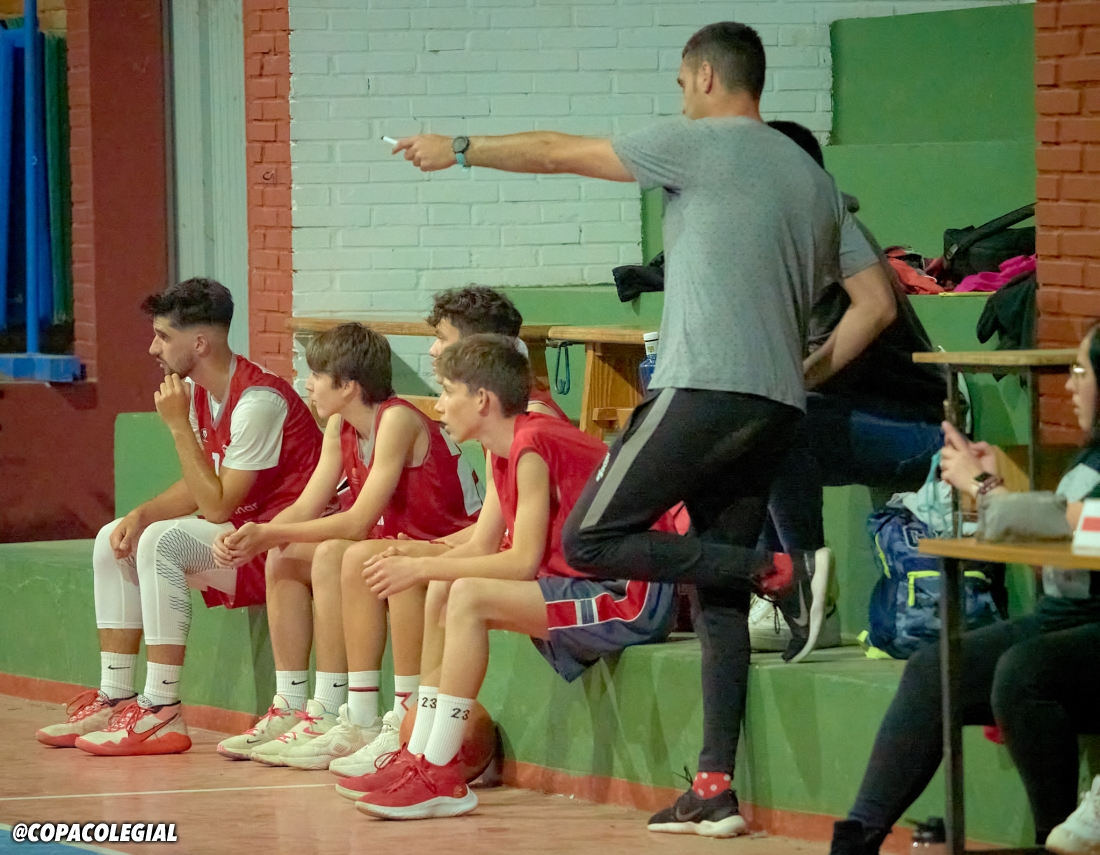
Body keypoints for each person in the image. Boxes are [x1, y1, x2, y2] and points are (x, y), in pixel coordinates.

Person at [390, 22, 842, 836]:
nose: (681, 98)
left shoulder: (702, 143)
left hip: (705, 384)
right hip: (781, 401)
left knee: (592, 535)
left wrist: (458, 148)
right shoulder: (811, 178)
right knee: (717, 600)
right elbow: (864, 296)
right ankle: (714, 784)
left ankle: (776, 568)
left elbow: (557, 152)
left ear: (706, 78)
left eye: (682, 84)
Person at [337, 334, 673, 819]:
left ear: (482, 400)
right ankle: (419, 755)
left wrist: (421, 565)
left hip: (631, 591)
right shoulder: (503, 447)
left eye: (447, 391)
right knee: (446, 588)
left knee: (468, 596)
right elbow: (480, 545)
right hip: (583, 583)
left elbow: (520, 561)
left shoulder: (534, 443)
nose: (439, 404)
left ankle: (440, 773)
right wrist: (421, 560)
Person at [829, 327, 1100, 855]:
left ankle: (1053, 840)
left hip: (1090, 624)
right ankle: (857, 837)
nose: (1070, 385)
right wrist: (1004, 489)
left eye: (1082, 372)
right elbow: (1063, 528)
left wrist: (988, 489)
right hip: (1061, 616)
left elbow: (1087, 525)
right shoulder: (1089, 456)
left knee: (1023, 672)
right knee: (935, 668)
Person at [35, 278, 324, 756]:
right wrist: (142, 512)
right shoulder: (197, 392)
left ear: (200, 343)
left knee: (162, 542)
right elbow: (200, 483)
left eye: (163, 336)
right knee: (116, 536)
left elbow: (216, 506)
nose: (154, 348)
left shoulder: (259, 401)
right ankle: (117, 696)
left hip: (280, 545)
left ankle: (161, 708)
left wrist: (176, 426)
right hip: (239, 539)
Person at [325, 288, 574, 779]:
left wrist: (425, 560)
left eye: (442, 338)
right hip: (537, 562)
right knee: (416, 570)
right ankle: (412, 737)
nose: (434, 349)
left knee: (443, 584)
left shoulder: (530, 426)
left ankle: (427, 752)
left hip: (585, 578)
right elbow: (489, 535)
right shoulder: (506, 424)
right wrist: (422, 554)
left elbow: (516, 552)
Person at [213, 323, 482, 769]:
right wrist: (256, 534)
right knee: (286, 556)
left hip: (450, 541)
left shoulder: (395, 420)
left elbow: (358, 522)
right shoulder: (340, 424)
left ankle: (386, 718)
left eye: (317, 375)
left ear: (348, 386)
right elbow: (307, 506)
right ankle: (305, 707)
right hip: (398, 541)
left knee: (347, 553)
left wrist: (269, 533)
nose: (307, 384)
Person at [750, 121, 948, 657]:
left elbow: (846, 340)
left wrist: (775, 384)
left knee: (776, 421)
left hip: (921, 431)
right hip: (855, 418)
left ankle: (805, 591)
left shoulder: (831, 240)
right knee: (747, 424)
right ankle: (772, 587)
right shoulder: (783, 245)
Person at [426, 285, 567, 420]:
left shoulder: (532, 418)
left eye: (442, 338)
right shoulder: (497, 405)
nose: (432, 350)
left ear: (478, 348)